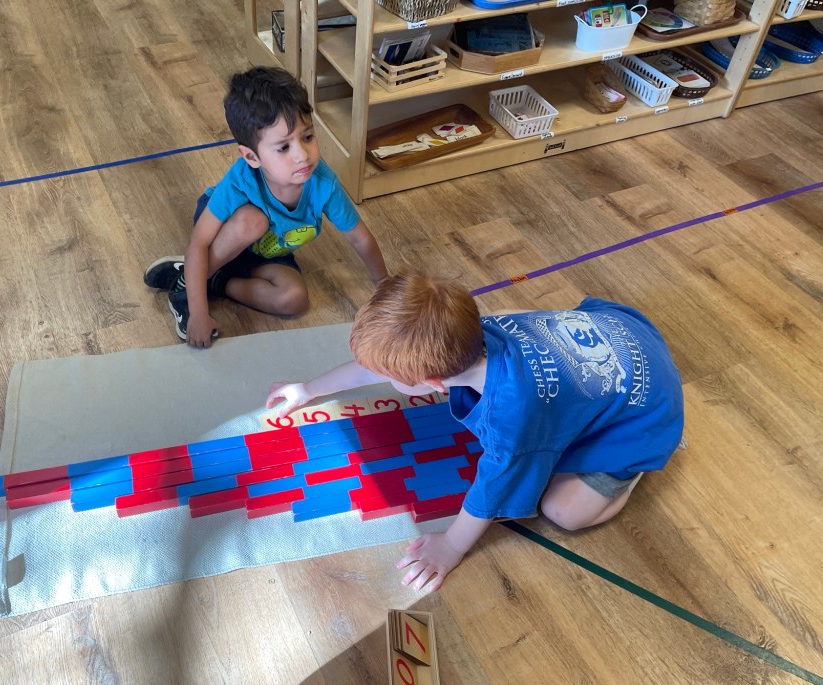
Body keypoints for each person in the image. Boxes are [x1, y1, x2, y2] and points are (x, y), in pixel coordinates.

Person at [266, 273, 684, 592]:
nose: (376, 376)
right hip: (624, 334)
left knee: (564, 513)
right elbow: (370, 368)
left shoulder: (511, 415)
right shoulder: (468, 331)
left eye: (389, 376)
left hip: (645, 414)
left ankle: (634, 467)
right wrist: (308, 389)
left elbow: (494, 487)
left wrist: (451, 546)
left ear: (431, 384)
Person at [143, 66, 388, 347]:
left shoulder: (324, 184)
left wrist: (383, 282)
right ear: (251, 157)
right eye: (283, 147)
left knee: (294, 299)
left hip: (264, 252)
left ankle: (212, 280)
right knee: (253, 221)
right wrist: (198, 313)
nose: (303, 155)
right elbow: (199, 242)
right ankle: (184, 288)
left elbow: (359, 237)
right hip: (226, 236)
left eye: (308, 137)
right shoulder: (240, 180)